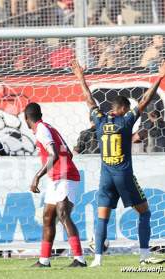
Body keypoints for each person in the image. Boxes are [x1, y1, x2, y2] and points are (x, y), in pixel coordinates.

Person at [71, 59, 165, 266]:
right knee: (145, 212)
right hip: (123, 175)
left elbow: (89, 99)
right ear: (123, 108)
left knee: (102, 217)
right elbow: (145, 101)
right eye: (128, 108)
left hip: (106, 177)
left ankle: (97, 259)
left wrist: (80, 77)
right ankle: (143, 255)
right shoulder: (126, 121)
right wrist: (159, 76)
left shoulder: (100, 120)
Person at [24, 102, 86, 268]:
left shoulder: (41, 130)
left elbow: (54, 154)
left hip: (65, 176)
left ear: (26, 119)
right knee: (48, 218)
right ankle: (44, 260)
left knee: (63, 213)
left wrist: (37, 176)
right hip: (56, 177)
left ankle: (79, 259)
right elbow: (68, 153)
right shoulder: (49, 127)